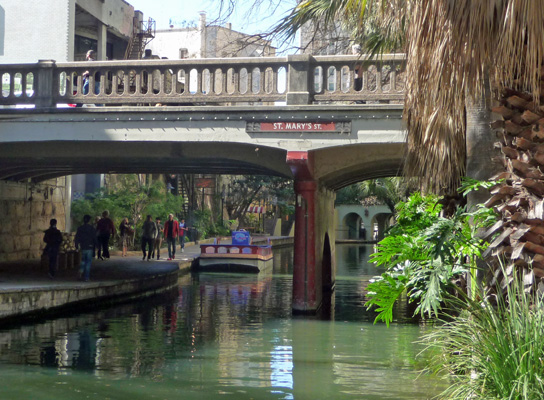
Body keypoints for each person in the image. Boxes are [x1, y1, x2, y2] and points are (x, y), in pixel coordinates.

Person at [74, 215, 98, 282]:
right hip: (90, 246)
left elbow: (77, 238)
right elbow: (94, 238)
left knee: (83, 260)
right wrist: (97, 246)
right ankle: (86, 277)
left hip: (83, 246)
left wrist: (76, 246)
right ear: (89, 221)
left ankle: (81, 271)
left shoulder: (80, 228)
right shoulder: (91, 229)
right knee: (88, 262)